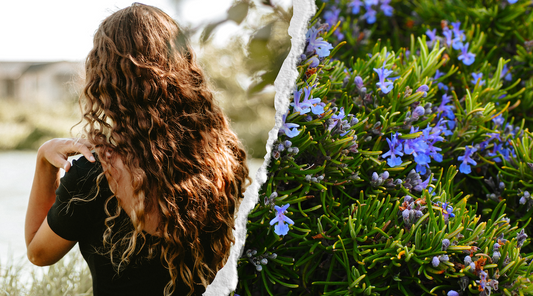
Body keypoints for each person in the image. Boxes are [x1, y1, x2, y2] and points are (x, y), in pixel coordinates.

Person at [24, 3, 250, 296]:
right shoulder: (224, 160)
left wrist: (45, 159)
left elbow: (38, 254)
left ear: (104, 79)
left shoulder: (93, 175)